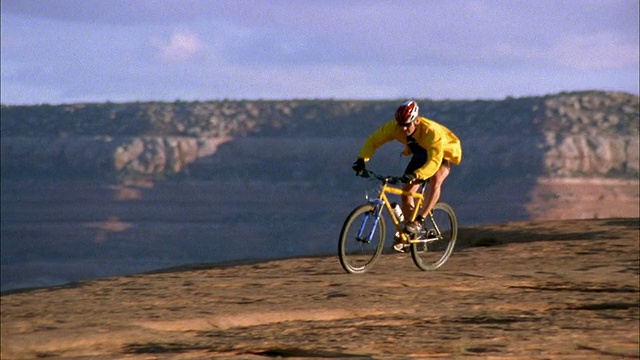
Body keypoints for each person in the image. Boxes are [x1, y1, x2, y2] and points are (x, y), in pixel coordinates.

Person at [352, 100, 462, 249]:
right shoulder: (395, 127)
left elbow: (434, 162)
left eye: (407, 125)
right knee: (406, 194)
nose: (403, 129)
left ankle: (419, 221)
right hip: (420, 156)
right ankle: (409, 232)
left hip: (442, 155)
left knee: (436, 180)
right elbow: (373, 141)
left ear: (416, 121)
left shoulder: (431, 132)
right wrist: (361, 160)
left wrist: (418, 174)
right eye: (400, 125)